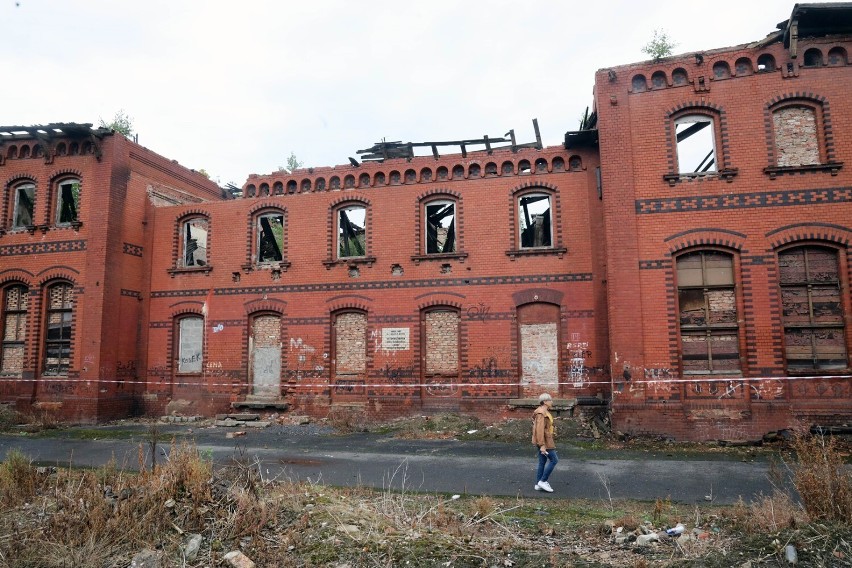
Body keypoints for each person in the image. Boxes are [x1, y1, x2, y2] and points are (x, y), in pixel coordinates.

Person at [531, 392, 558, 492]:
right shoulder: (541, 413)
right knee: (554, 460)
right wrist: (542, 445)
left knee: (542, 462)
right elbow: (539, 430)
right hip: (544, 441)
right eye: (550, 400)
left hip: (544, 440)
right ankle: (543, 481)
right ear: (545, 401)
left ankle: (538, 484)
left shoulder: (544, 412)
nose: (552, 402)